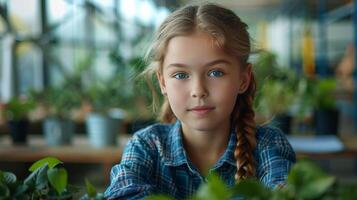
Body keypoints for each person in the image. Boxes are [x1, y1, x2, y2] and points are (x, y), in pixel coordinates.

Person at [105, 3, 295, 199]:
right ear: (162, 82)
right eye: (180, 75)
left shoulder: (268, 145)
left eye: (215, 72)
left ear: (243, 79)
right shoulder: (146, 146)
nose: (198, 91)